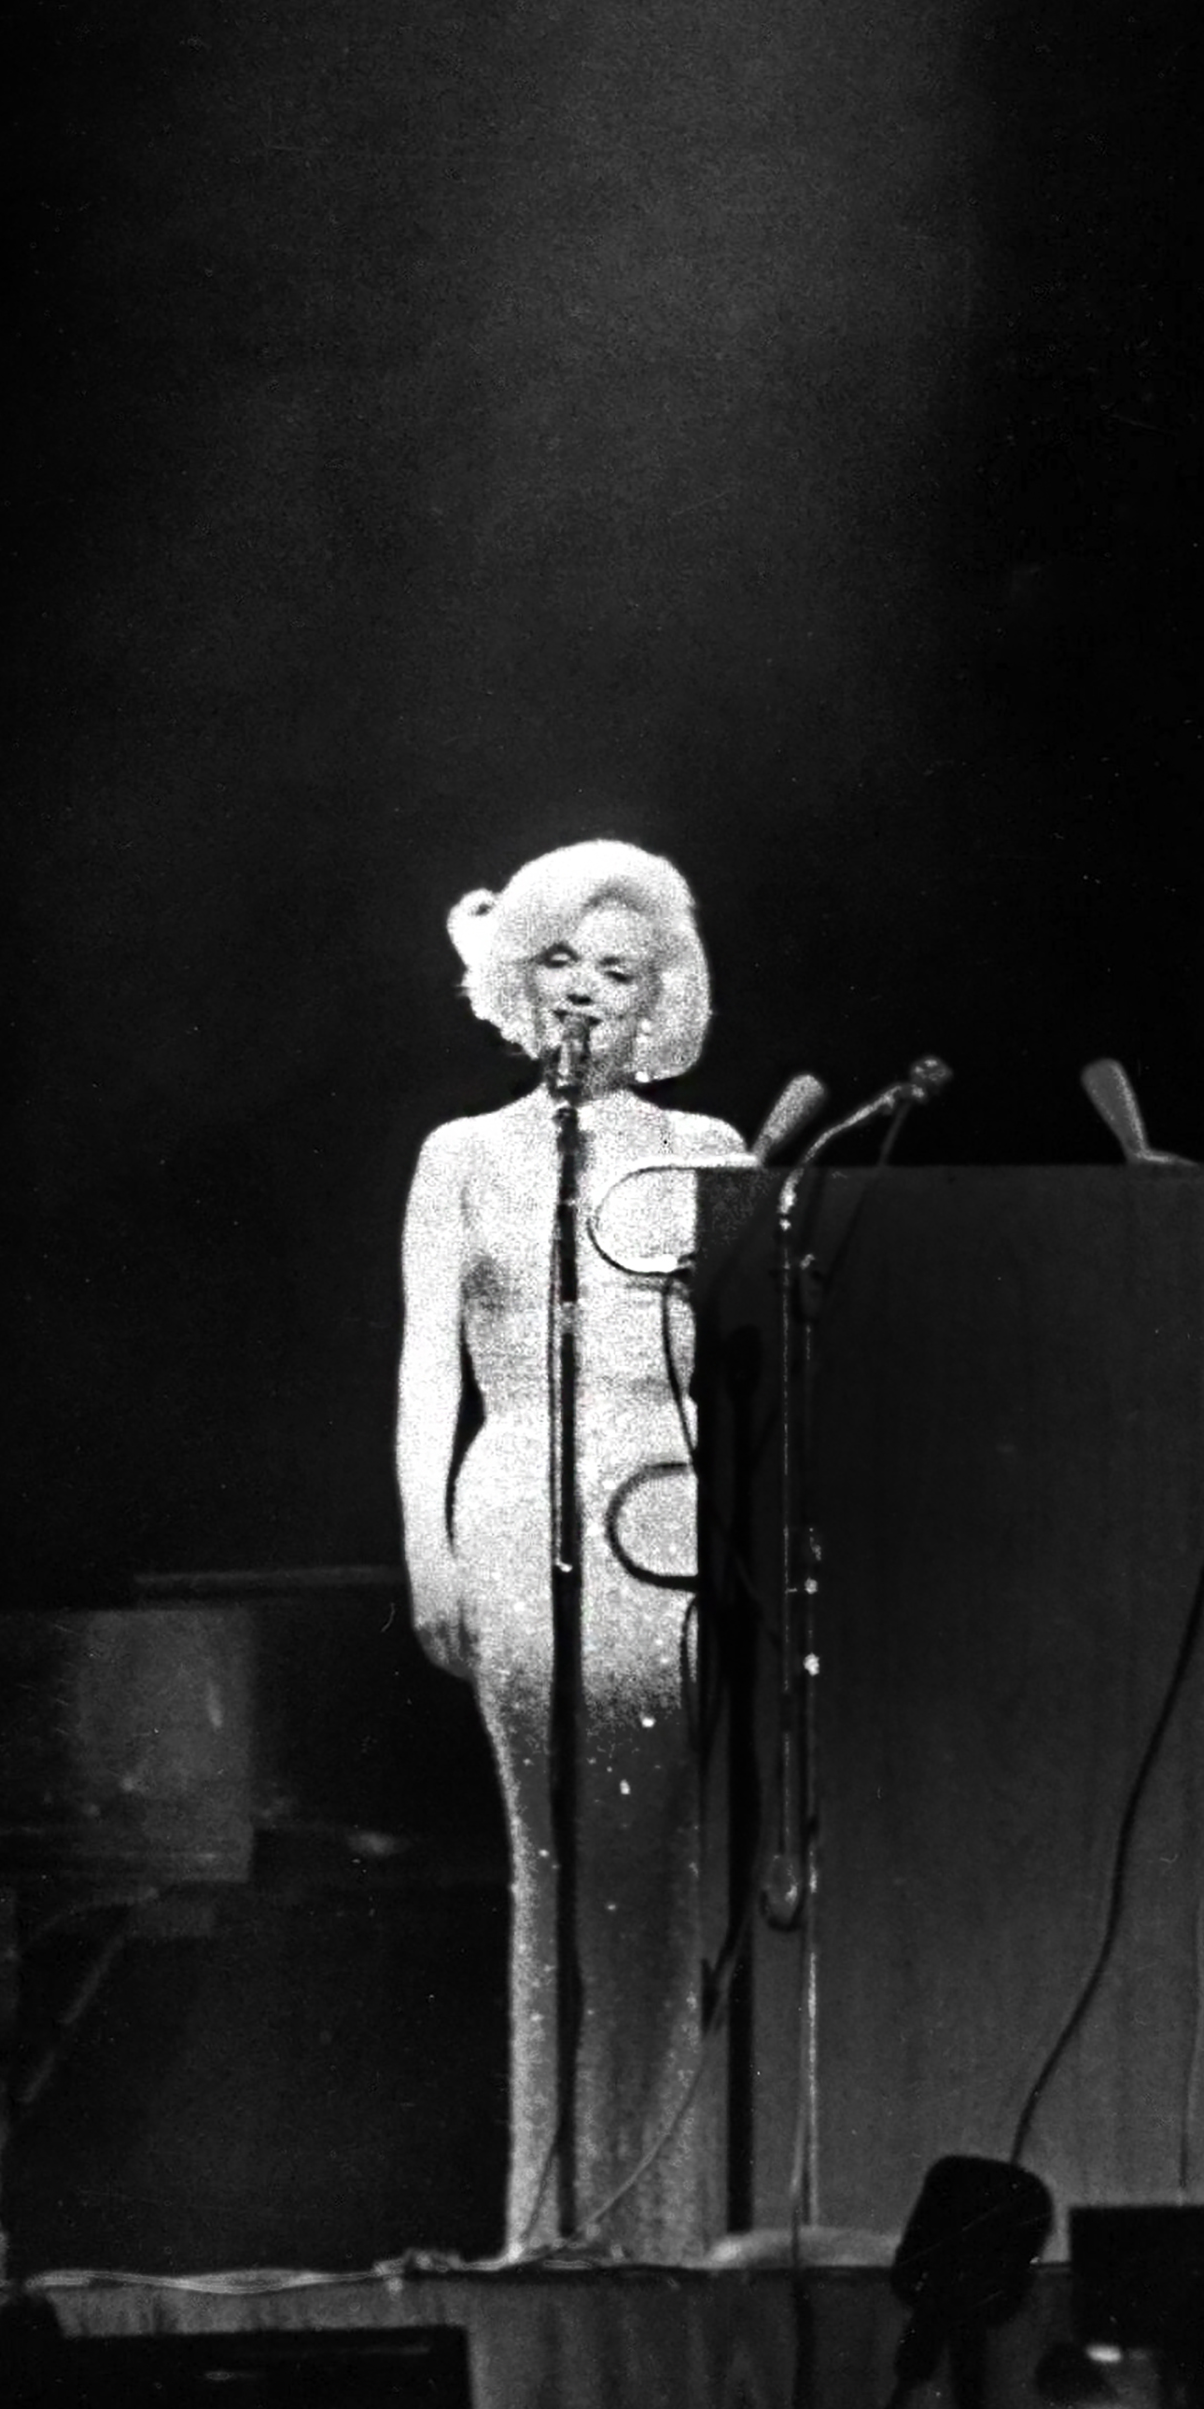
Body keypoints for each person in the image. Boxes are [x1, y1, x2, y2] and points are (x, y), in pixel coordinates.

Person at [395, 841, 751, 2262]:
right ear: (515, 976)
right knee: (557, 1866)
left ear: (660, 991)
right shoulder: (463, 1157)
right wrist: (424, 1548)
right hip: (519, 1505)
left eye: (620, 969)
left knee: (677, 1868)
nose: (588, 993)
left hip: (674, 1512)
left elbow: (759, 1367)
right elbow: (432, 1366)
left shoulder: (712, 1151)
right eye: (562, 962)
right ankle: (553, 2217)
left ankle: (669, 2215)